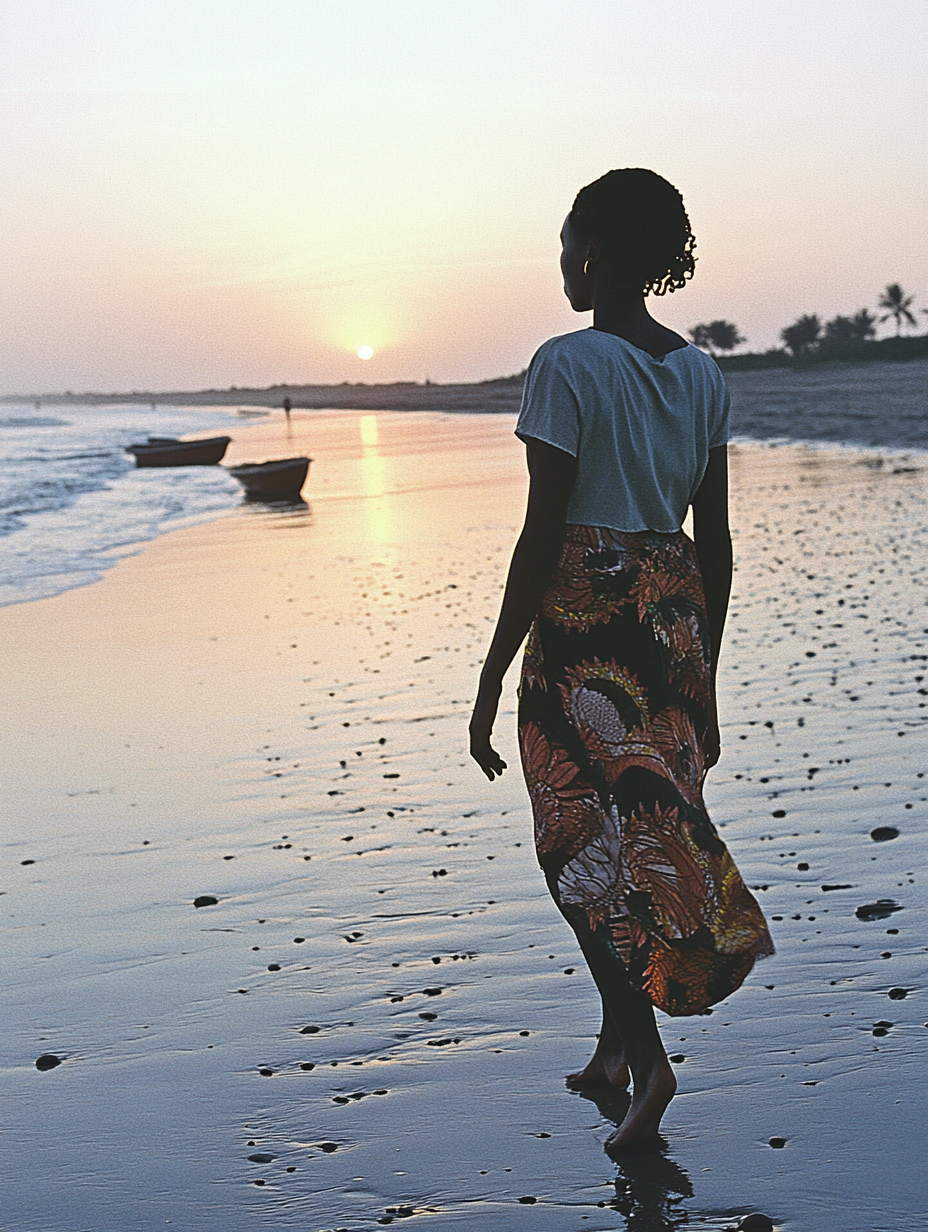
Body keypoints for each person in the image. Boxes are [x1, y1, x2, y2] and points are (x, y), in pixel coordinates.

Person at [469, 169, 773, 1154]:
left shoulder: (565, 364)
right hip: (673, 620)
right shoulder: (702, 373)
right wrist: (707, 679)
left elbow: (540, 533)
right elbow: (715, 542)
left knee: (580, 848)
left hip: (586, 624)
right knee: (644, 830)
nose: (561, 260)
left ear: (595, 249)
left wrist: (487, 675)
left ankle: (649, 1062)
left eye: (567, 241)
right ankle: (614, 1043)